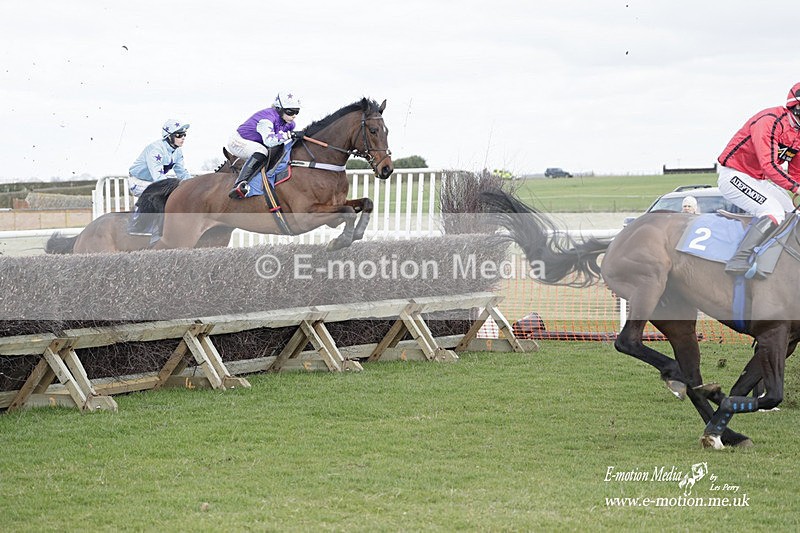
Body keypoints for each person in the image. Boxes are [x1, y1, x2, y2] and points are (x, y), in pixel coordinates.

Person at [717, 82, 800, 275]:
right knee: (773, 211)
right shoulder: (770, 120)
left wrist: (797, 185)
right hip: (734, 175)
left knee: (791, 214)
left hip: (758, 180)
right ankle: (739, 259)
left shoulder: (798, 133)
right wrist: (796, 188)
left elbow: (796, 173)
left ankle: (778, 261)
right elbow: (769, 166)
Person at [227, 91, 304, 199]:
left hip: (256, 142)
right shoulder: (267, 119)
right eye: (290, 112)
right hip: (238, 141)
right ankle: (239, 185)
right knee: (262, 151)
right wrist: (289, 135)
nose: (294, 116)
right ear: (279, 109)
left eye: (297, 112)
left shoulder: (290, 124)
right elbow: (269, 141)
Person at [127, 119, 191, 234]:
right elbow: (158, 178)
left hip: (153, 182)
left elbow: (182, 173)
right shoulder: (156, 149)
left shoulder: (177, 152)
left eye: (184, 134)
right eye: (179, 135)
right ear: (169, 136)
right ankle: (137, 225)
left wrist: (192, 186)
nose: (183, 137)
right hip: (138, 181)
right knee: (160, 196)